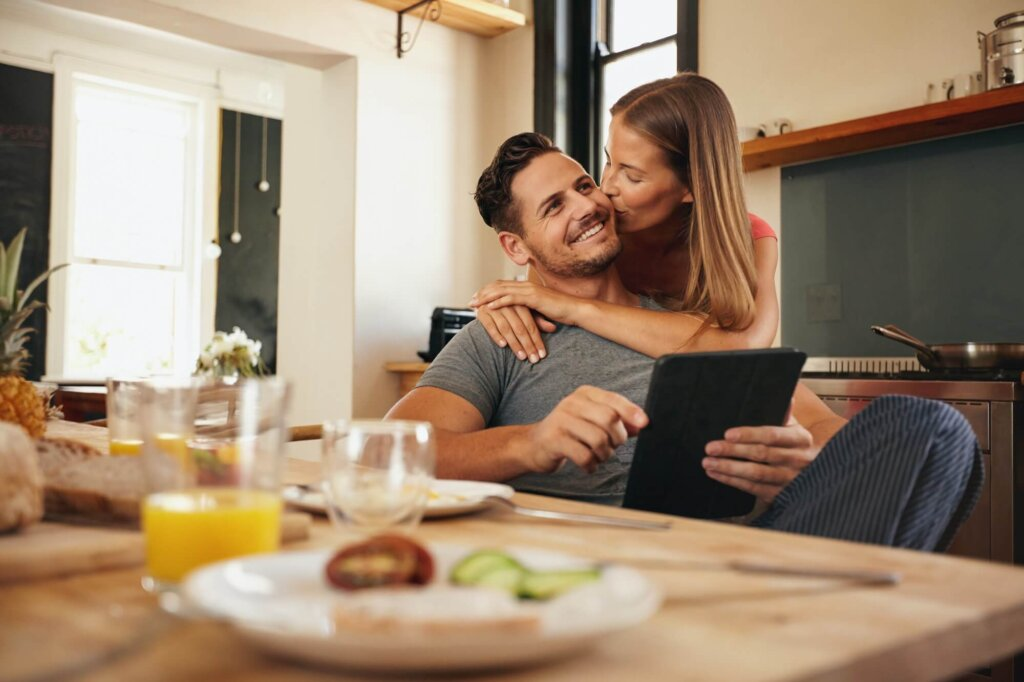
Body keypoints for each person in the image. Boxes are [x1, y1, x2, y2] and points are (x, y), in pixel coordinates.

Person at [386, 133, 982, 552]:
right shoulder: (504, 334)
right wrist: (532, 443)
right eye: (554, 206)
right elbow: (393, 453)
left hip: (757, 543)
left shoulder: (689, 318)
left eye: (585, 184)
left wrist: (803, 459)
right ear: (517, 249)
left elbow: (821, 426)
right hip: (620, 559)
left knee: (934, 430)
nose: (590, 205)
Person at [468, 73, 779, 364]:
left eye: (632, 176)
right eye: (608, 161)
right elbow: (544, 286)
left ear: (693, 185)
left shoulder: (750, 240)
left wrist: (575, 309)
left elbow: (744, 348)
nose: (607, 188)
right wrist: (501, 309)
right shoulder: (598, 236)